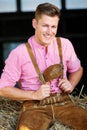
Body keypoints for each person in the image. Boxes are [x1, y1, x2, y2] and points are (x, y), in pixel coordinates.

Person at [0, 2, 87, 130]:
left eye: (53, 26)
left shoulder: (65, 45)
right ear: (35, 23)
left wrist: (71, 84)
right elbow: (3, 89)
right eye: (45, 26)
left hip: (63, 103)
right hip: (34, 107)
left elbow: (78, 70)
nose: (50, 31)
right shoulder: (19, 53)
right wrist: (34, 95)